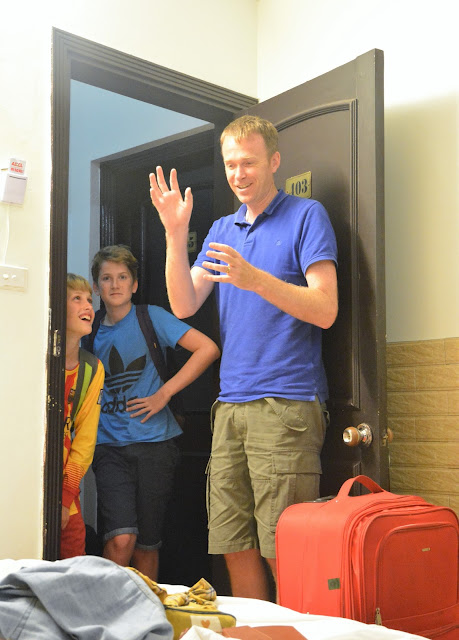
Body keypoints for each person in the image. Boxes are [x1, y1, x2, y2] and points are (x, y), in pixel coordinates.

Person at [149, 115, 338, 600]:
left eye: (249, 162)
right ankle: (256, 632)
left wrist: (254, 279)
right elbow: (184, 304)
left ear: (274, 161)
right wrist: (175, 233)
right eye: (231, 164)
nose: (238, 174)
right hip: (230, 406)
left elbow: (325, 309)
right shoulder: (220, 229)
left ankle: (297, 633)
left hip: (286, 404)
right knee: (234, 545)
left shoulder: (306, 215)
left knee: (284, 549)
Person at [88, 244, 220, 581]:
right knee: (120, 539)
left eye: (122, 277)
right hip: (107, 447)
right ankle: (106, 606)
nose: (115, 284)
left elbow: (207, 349)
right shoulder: (91, 328)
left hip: (156, 445)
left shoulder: (151, 317)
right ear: (97, 286)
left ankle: (145, 610)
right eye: (106, 278)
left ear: (134, 284)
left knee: (147, 545)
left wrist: (164, 394)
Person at [62, 274, 105, 559]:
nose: (88, 305)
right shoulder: (33, 356)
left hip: (66, 488)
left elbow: (85, 441)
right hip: (27, 479)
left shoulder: (92, 368)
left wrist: (65, 497)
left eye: (89, 299)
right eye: (76, 298)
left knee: (73, 556)